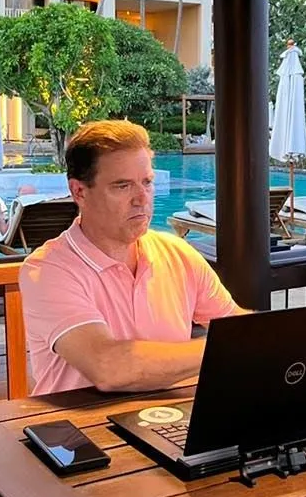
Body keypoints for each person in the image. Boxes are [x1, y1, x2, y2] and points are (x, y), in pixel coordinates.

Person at [19, 120, 244, 395]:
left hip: (169, 419)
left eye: (147, 182)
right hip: (81, 429)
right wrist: (225, 346)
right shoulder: (48, 269)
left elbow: (241, 328)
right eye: (122, 186)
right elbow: (109, 367)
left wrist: (285, 337)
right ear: (79, 192)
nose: (142, 198)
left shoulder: (177, 253)